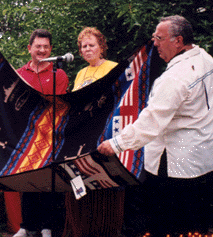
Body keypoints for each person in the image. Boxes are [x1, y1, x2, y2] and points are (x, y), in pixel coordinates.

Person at [97, 15, 213, 236]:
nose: (154, 43)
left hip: (176, 165)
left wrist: (116, 144)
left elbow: (151, 121)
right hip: (203, 157)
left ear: (178, 41)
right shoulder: (206, 58)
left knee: (168, 226)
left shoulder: (174, 77)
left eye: (159, 38)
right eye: (154, 37)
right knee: (195, 224)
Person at [63, 27, 124, 237]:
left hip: (105, 132)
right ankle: (85, 227)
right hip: (83, 136)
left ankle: (108, 228)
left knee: (106, 180)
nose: (87, 49)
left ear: (101, 47)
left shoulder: (113, 68)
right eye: (83, 46)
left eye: (91, 45)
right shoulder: (81, 73)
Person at [12, 29, 69, 237]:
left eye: (46, 47)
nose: (42, 50)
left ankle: (47, 227)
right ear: (29, 49)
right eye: (38, 46)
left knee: (47, 182)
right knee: (27, 180)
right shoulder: (19, 74)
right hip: (25, 137)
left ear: (51, 49)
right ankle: (27, 226)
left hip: (49, 136)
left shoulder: (59, 74)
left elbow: (59, 106)